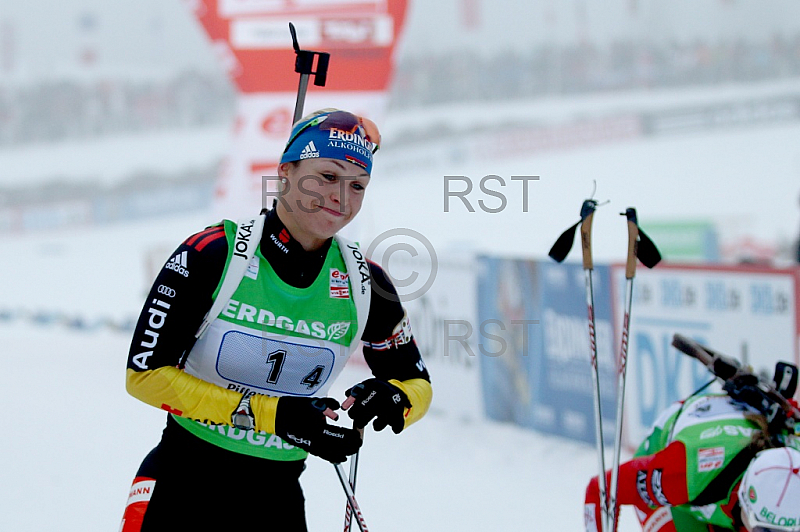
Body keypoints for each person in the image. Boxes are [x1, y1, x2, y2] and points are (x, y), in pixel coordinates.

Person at [120, 109, 432, 531]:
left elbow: (417, 384)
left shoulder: (365, 283)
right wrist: (273, 415)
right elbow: (144, 375)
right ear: (285, 172)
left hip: (277, 502)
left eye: (358, 185)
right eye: (326, 176)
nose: (342, 197)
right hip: (183, 487)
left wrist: (396, 400)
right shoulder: (214, 254)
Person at [584, 382, 800, 532]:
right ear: (744, 497)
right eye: (764, 531)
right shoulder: (683, 473)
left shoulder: (793, 465)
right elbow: (600, 488)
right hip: (679, 479)